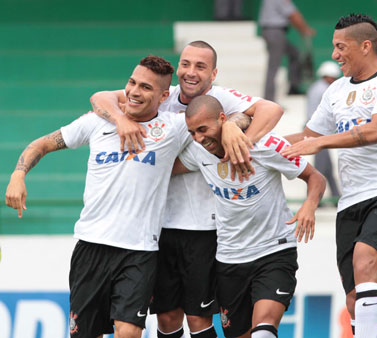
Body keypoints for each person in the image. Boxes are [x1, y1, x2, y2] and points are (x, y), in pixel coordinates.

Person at [89, 41, 284, 338]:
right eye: (186, 64)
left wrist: (239, 138)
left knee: (197, 318)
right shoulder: (160, 95)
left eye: (201, 66)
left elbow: (271, 108)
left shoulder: (222, 99)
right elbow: (100, 97)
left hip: (203, 228)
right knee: (166, 317)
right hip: (159, 227)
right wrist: (119, 119)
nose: (191, 73)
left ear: (214, 73)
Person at [5, 56, 193, 338]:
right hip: (91, 247)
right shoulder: (97, 122)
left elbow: (226, 120)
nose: (134, 91)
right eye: (131, 83)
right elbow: (42, 144)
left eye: (145, 87)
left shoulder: (174, 128)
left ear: (164, 96)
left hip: (139, 251)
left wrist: (228, 126)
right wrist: (18, 175)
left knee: (128, 333)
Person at [281, 14, 377, 338]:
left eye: (340, 47)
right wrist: (254, 145)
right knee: (355, 297)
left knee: (364, 260)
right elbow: (307, 137)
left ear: (366, 46)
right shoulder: (336, 91)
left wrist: (320, 141)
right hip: (351, 200)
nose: (334, 55)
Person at [173, 95, 326, 338]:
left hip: (273, 251)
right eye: (192, 133)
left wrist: (309, 205)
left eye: (203, 129)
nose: (199, 139)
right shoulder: (197, 152)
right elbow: (161, 170)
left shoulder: (266, 144)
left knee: (263, 330)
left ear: (223, 119)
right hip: (229, 258)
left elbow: (316, 177)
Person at [258, 0, 315, 101]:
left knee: (295, 54)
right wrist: (305, 29)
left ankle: (294, 86)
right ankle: (269, 99)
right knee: (274, 66)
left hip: (272, 31)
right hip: (275, 31)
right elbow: (293, 15)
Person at [305, 60, 342, 204]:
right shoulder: (324, 90)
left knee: (326, 166)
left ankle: (335, 196)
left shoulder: (316, 87)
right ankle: (315, 199)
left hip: (316, 130)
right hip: (318, 132)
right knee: (320, 168)